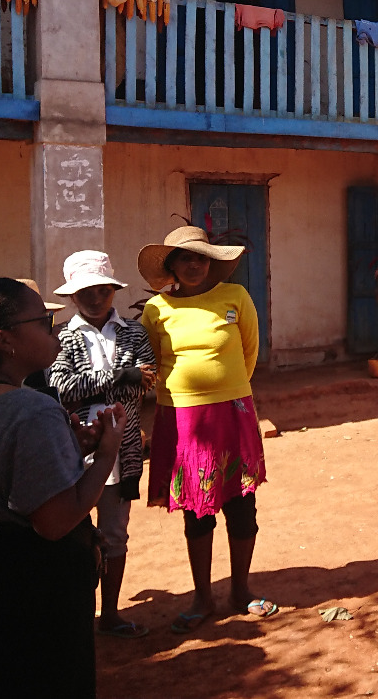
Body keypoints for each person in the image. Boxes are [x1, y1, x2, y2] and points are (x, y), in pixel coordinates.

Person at [0, 278, 125, 698]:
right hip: (26, 585)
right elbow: (55, 522)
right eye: (44, 320)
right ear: (4, 340)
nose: (55, 328)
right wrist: (105, 455)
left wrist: (67, 449)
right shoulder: (31, 410)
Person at [138, 226, 275, 633]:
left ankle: (241, 590)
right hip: (180, 418)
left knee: (241, 505)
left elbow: (250, 352)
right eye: (185, 258)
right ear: (171, 265)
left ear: (212, 262)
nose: (195, 264)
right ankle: (202, 597)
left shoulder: (236, 298)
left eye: (201, 257)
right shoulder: (155, 309)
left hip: (232, 414)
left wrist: (228, 390)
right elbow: (153, 360)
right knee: (197, 510)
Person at [48, 250, 157, 638]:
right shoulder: (62, 336)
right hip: (74, 450)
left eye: (102, 289)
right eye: (86, 292)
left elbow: (147, 380)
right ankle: (78, 616)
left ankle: (109, 614)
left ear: (112, 289)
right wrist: (122, 375)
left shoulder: (133, 331)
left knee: (114, 534)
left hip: (123, 449)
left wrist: (121, 378)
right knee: (73, 535)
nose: (95, 298)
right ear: (72, 297)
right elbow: (62, 389)